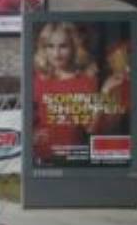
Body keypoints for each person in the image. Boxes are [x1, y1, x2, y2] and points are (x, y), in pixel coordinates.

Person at [30, 21, 97, 164]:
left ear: (74, 47)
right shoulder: (37, 80)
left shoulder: (87, 81)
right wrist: (30, 135)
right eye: (50, 46)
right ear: (43, 49)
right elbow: (24, 118)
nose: (56, 53)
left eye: (63, 46)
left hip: (75, 160)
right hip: (41, 161)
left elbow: (91, 128)